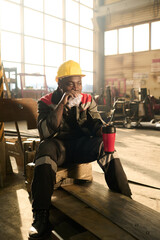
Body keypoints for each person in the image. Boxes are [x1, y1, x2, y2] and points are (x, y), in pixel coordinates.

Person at [29, 60, 131, 239]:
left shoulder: (87, 100)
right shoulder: (45, 102)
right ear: (59, 83)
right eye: (70, 83)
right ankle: (40, 215)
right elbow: (45, 132)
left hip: (79, 147)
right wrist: (61, 104)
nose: (75, 88)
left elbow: (95, 123)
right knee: (44, 150)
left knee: (105, 147)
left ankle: (126, 201)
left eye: (79, 83)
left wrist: (102, 128)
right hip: (57, 148)